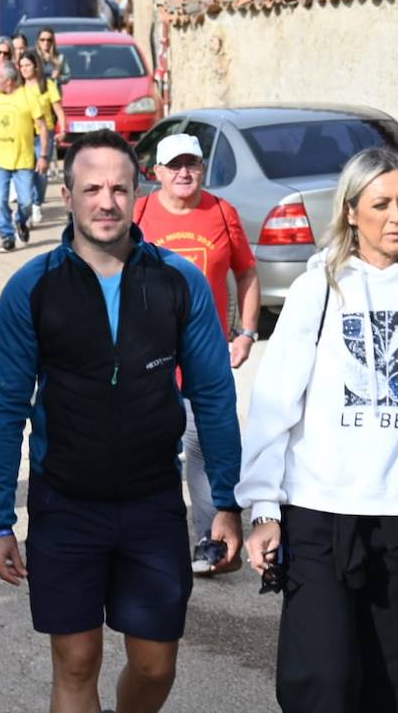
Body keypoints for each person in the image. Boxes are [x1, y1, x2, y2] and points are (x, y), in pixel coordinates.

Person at [0, 130, 243, 713]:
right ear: (68, 195)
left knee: (155, 668)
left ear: (136, 193)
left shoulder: (179, 281)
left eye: (119, 188)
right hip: (65, 503)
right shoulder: (33, 288)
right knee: (76, 662)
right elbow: (2, 408)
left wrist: (225, 500)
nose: (106, 201)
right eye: (92, 188)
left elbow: (214, 396)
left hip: (151, 504)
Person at [237, 147, 398, 713]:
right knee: (319, 681)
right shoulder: (318, 288)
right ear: (351, 212)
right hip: (322, 514)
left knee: (396, 688)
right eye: (381, 203)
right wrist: (264, 508)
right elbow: (275, 405)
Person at [134, 132, 260, 576]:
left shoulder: (222, 213)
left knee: (205, 450)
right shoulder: (141, 212)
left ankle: (212, 542)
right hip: (150, 355)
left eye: (192, 164)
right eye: (174, 165)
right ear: (157, 173)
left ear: (203, 169)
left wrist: (245, 333)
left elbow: (246, 273)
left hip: (204, 353)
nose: (184, 172)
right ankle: (158, 541)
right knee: (154, 451)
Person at [0, 62, 49, 252]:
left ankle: (20, 220)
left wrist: (44, 155)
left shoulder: (28, 96)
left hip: (23, 160)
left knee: (27, 203)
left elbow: (43, 127)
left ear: (9, 81)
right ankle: (7, 236)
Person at [19, 50, 63, 224]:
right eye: (21, 66)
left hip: (44, 134)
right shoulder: (18, 87)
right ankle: (27, 206)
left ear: (36, 67)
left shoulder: (47, 85)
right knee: (25, 171)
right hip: (24, 135)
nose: (24, 69)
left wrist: (64, 129)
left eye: (28, 65)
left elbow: (59, 110)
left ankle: (37, 203)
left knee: (41, 172)